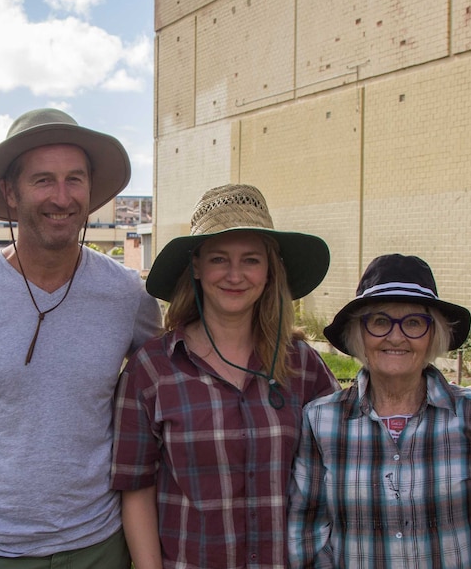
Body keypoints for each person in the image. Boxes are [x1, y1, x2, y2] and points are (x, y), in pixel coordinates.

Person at [0, 108, 163, 569]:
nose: (62, 197)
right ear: (9, 192)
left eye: (74, 179)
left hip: (101, 546)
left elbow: (169, 395)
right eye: (43, 180)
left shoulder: (126, 295)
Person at [111, 183, 341, 569]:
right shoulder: (153, 369)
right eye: (219, 259)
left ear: (270, 270)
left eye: (251, 260)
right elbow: (136, 488)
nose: (235, 275)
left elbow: (342, 463)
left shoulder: (301, 366)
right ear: (197, 267)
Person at [287, 254, 471, 568]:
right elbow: (306, 539)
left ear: (434, 334)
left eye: (414, 322)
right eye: (379, 321)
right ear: (359, 333)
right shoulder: (322, 422)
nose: (396, 336)